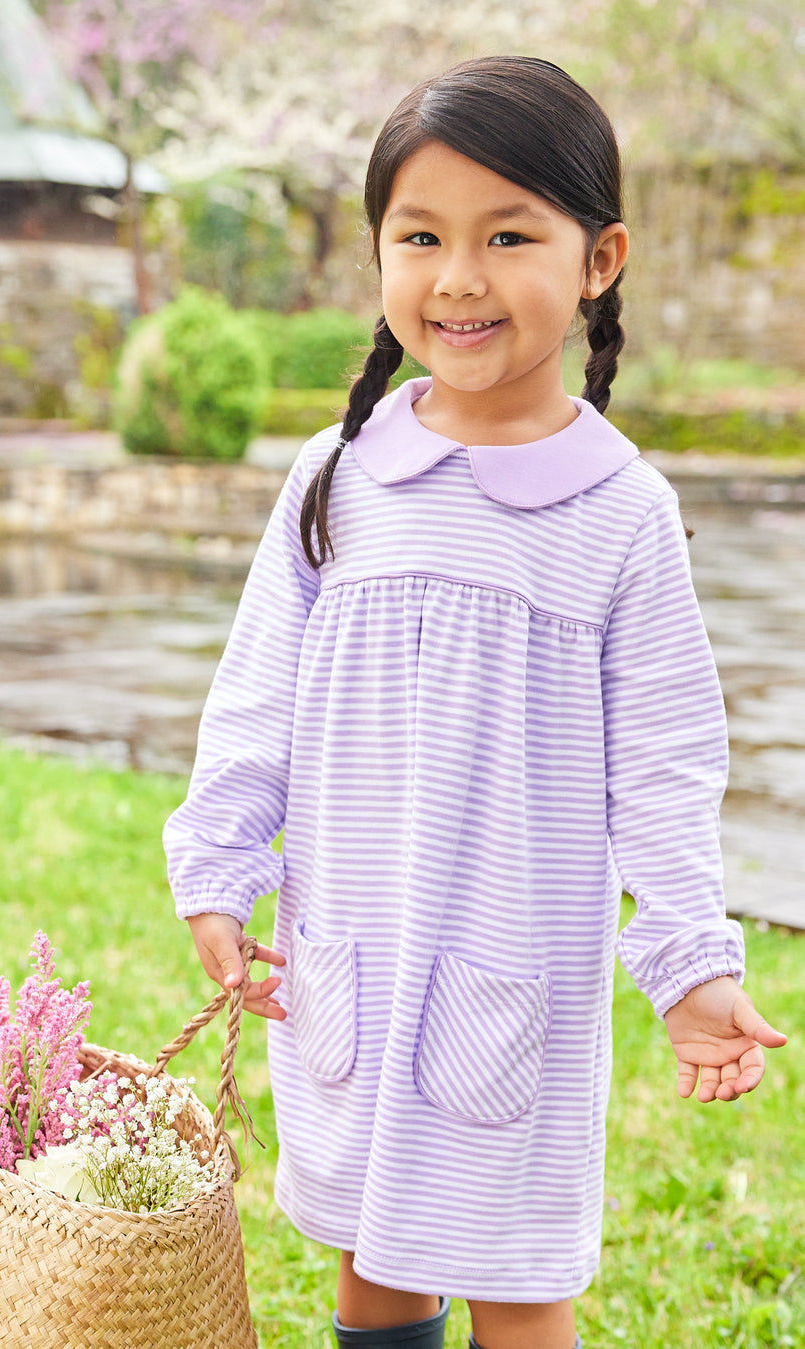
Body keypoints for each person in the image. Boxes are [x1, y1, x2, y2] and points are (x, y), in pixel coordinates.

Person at [164, 56, 787, 1349]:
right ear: (378, 253)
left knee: (513, 1272)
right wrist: (220, 866)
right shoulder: (337, 476)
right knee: (372, 1251)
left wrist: (686, 958)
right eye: (421, 236)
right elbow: (256, 689)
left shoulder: (620, 514)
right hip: (352, 944)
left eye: (509, 236)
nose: (458, 277)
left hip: (513, 959)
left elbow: (666, 762)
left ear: (599, 258)